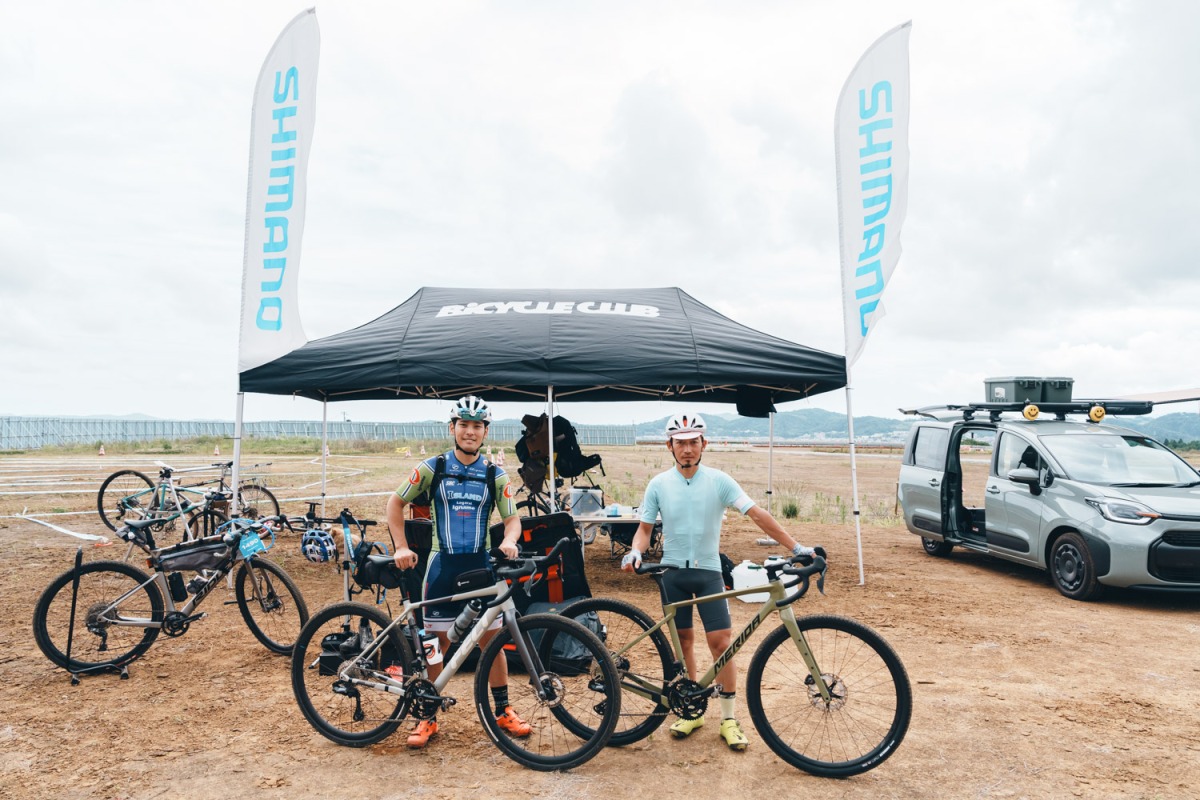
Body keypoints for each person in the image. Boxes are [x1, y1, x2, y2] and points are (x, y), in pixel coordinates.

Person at [621, 412, 814, 752]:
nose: (687, 449)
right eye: (680, 443)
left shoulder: (719, 481)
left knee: (722, 644)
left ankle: (728, 718)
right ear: (669, 446)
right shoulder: (658, 484)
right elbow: (644, 530)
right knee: (683, 642)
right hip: (672, 574)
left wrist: (795, 547)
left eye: (693, 442)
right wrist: (636, 551)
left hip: (709, 571)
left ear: (704, 444)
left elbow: (757, 515)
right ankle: (692, 709)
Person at [388, 395, 527, 749]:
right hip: (442, 569)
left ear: (485, 432)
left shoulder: (495, 474)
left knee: (491, 643)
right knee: (437, 645)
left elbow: (513, 520)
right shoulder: (433, 467)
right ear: (452, 428)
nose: (470, 431)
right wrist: (401, 546)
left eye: (477, 426)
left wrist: (510, 540)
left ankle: (502, 711)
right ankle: (427, 715)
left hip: (480, 567)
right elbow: (395, 503)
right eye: (463, 424)